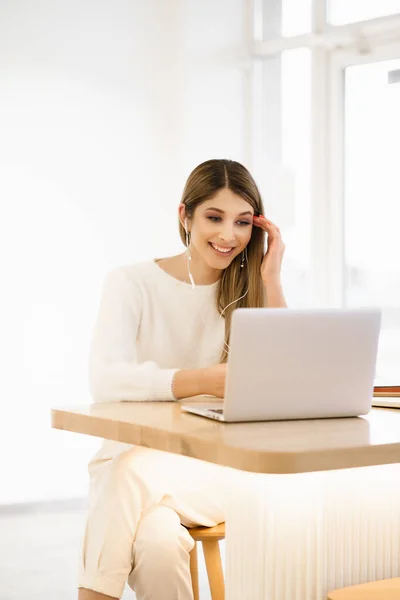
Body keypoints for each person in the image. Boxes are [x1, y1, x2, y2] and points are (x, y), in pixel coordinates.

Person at [78, 159, 287, 600]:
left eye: (243, 222)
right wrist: (202, 379)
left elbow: (283, 379)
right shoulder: (131, 283)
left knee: (130, 473)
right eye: (214, 217)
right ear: (185, 215)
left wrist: (271, 276)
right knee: (156, 540)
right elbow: (106, 379)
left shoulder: (251, 289)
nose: (229, 235)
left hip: (217, 473)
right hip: (131, 464)